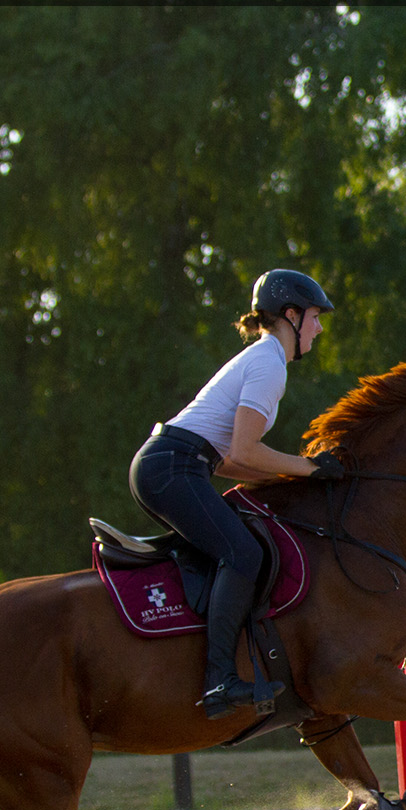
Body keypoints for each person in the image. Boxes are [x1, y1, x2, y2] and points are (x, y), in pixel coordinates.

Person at [129, 268, 344, 718]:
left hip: (168, 465)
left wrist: (293, 478)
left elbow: (229, 461)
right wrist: (308, 468)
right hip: (172, 467)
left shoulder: (262, 359)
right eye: (315, 317)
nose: (319, 327)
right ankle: (220, 681)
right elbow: (246, 450)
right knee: (243, 555)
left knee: (232, 549)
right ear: (291, 315)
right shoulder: (269, 365)